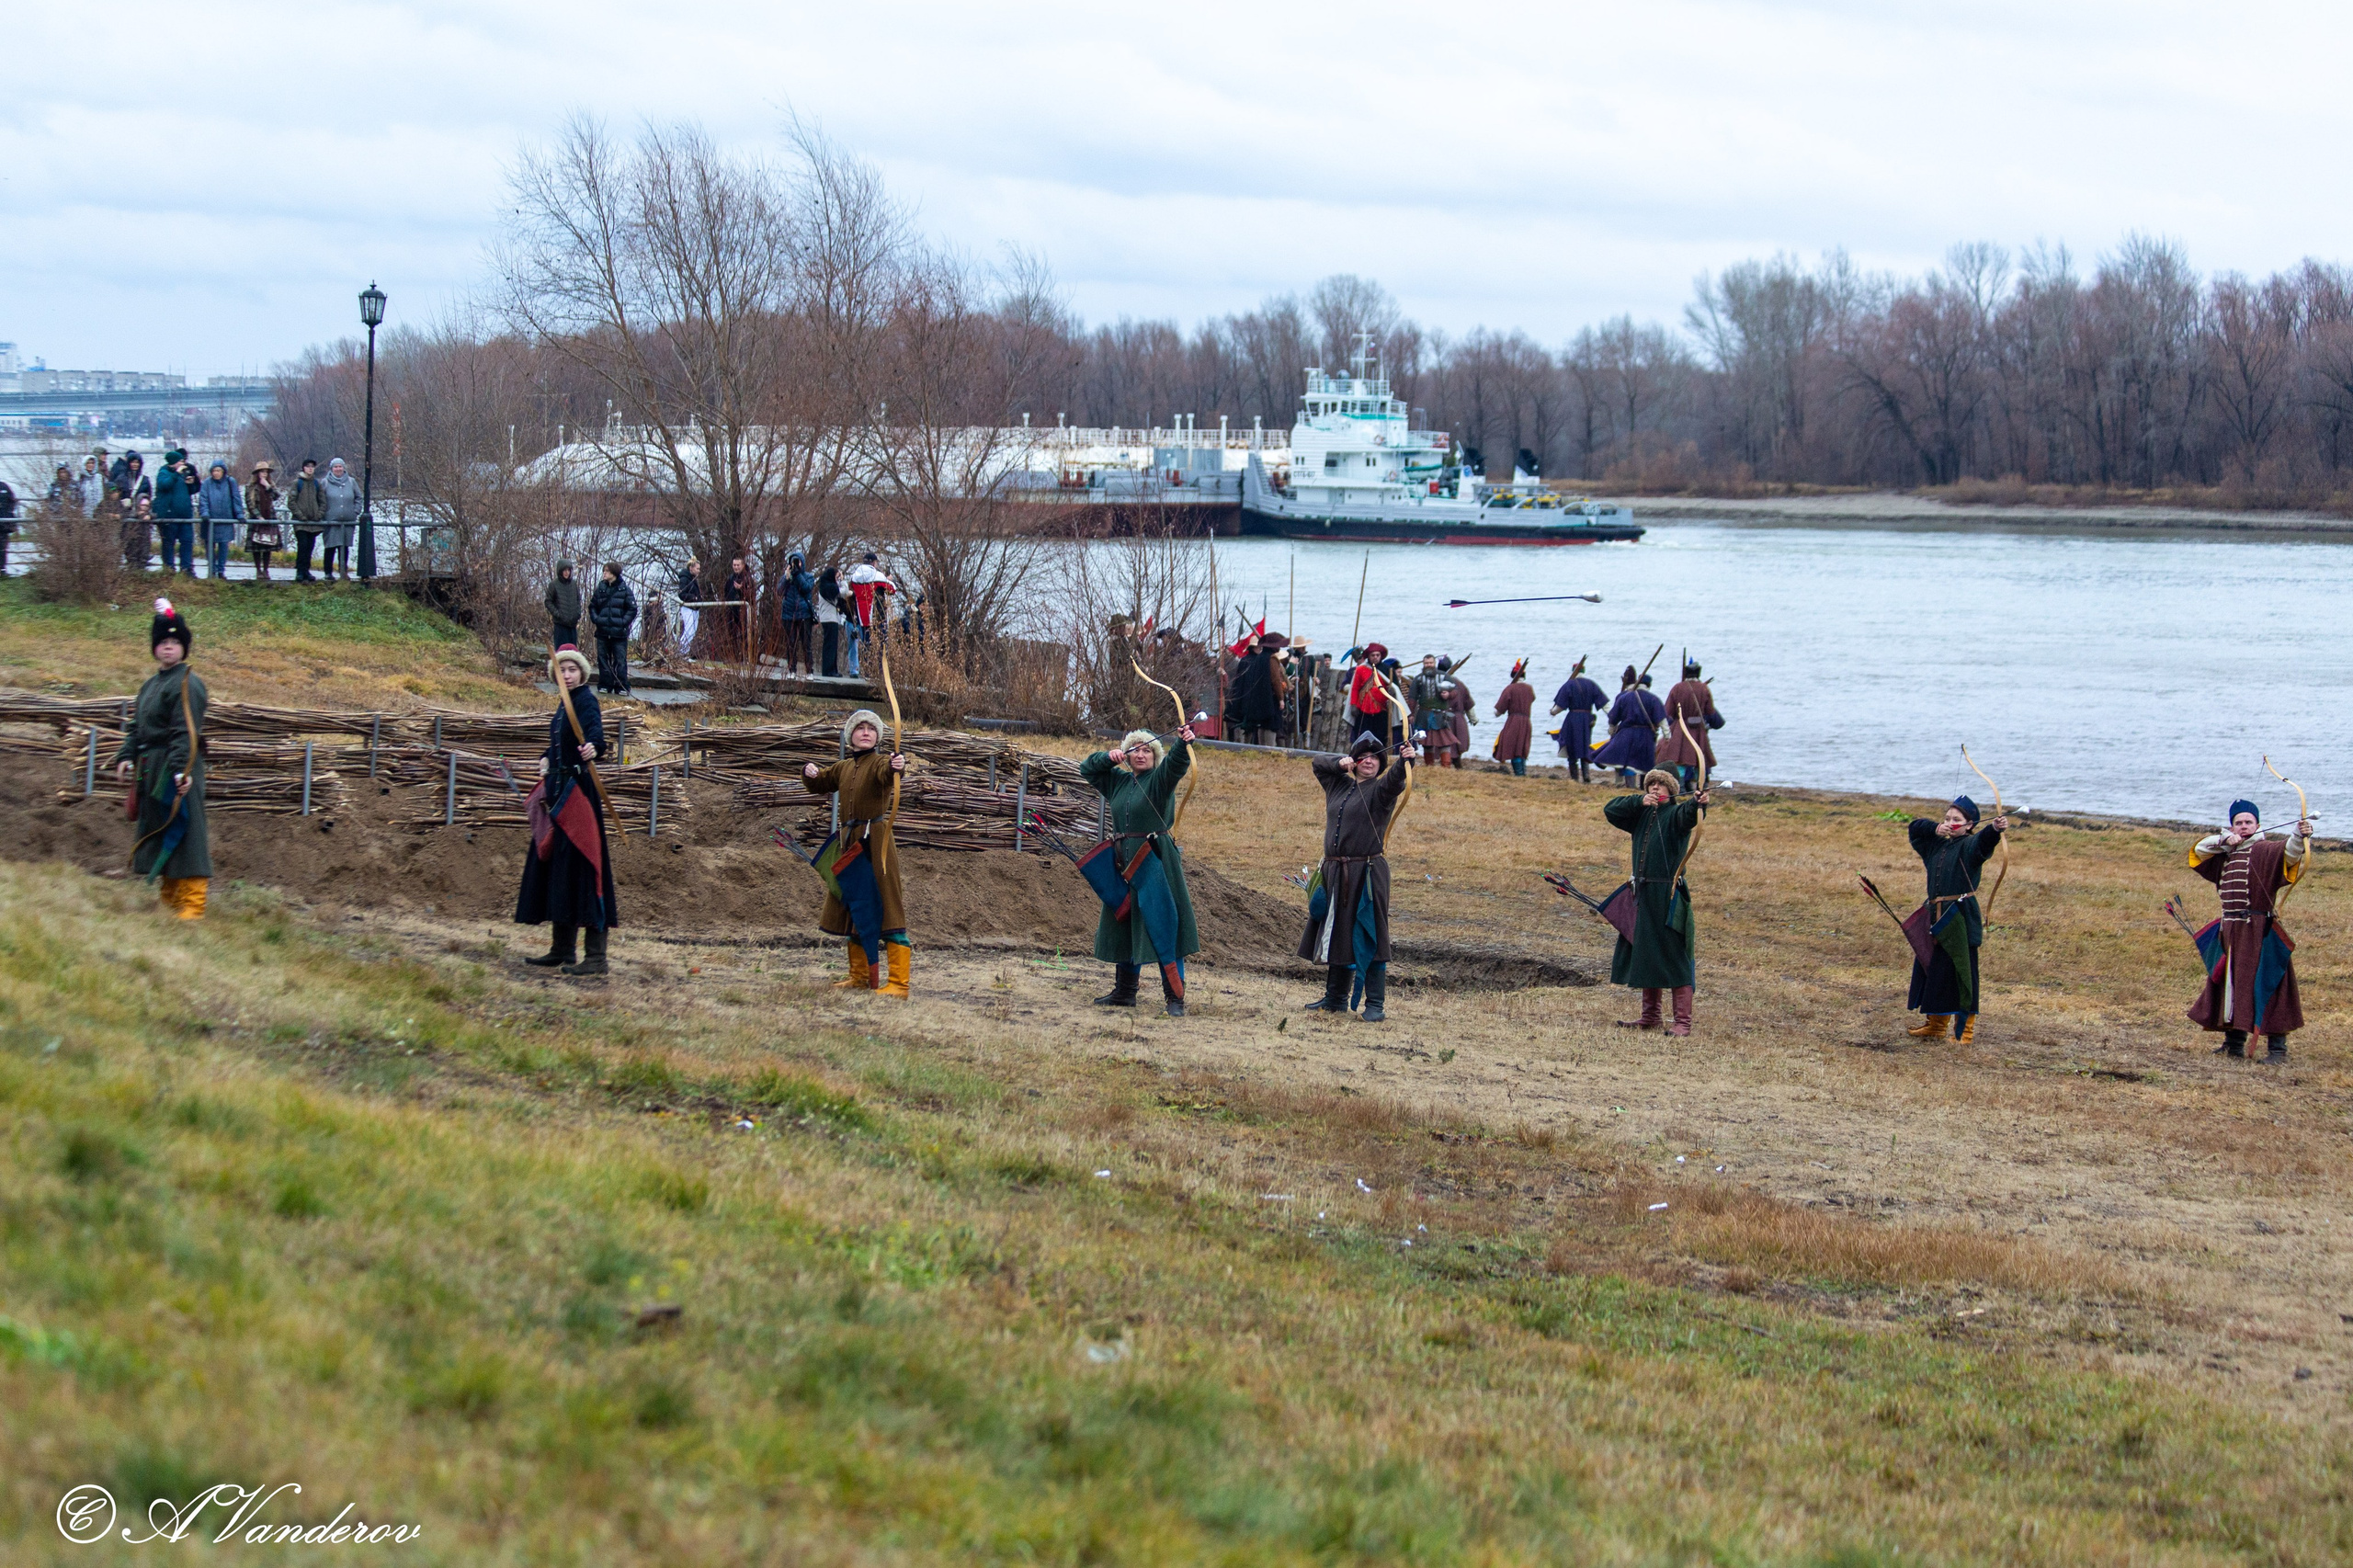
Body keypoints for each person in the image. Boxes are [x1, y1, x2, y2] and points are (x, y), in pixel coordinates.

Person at [1080, 722, 1199, 1017]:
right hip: (1124, 863)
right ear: (1127, 755)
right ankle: (1124, 993)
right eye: (1135, 750)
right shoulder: (1118, 782)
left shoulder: (1159, 780)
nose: (1141, 755)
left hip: (1156, 861)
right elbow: (1088, 769)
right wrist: (1107, 759)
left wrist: (1183, 743)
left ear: (1154, 756)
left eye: (1148, 750)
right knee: (1125, 922)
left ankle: (1175, 998)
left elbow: (1175, 765)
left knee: (1164, 924)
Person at [1301, 730, 1418, 1021]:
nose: (1368, 762)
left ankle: (1375, 1005)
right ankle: (1336, 999)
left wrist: (1406, 761)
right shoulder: (1338, 785)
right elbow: (1318, 763)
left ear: (1381, 763)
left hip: (1367, 872)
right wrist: (1340, 764)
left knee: (1371, 932)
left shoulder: (1381, 791)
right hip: (1337, 873)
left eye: (1374, 758)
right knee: (1340, 932)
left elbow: (1396, 780)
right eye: (1362, 757)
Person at [516, 645, 618, 976]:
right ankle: (562, 949)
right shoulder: (563, 705)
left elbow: (596, 738)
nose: (568, 675)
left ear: (582, 673)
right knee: (560, 871)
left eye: (573, 670)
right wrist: (547, 756)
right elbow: (559, 744)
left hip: (579, 796)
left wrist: (594, 747)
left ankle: (596, 958)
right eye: (563, 671)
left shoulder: (586, 701)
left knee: (587, 869)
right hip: (559, 794)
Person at [2188, 800, 2310, 1062]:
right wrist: (2224, 840)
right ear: (2231, 826)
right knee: (2230, 984)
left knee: (2269, 983)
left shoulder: (2265, 850)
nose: (2244, 827)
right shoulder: (2226, 853)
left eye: (2248, 823)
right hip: (2230, 930)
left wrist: (2299, 834)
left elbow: (2290, 852)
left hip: (2259, 931)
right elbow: (2199, 849)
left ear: (2258, 825)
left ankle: (2278, 1050)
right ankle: (2234, 1043)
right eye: (2238, 823)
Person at [800, 710, 911, 996]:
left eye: (871, 729)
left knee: (886, 907)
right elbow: (820, 782)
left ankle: (898, 984)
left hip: (876, 843)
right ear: (851, 736)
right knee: (854, 908)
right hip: (850, 845)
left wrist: (897, 765)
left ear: (877, 737)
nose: (865, 732)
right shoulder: (844, 768)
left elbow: (889, 772)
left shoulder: (878, 763)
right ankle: (859, 976)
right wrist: (809, 772)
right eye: (860, 728)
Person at [112, 599, 211, 919]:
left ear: (184, 648)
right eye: (163, 643)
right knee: (162, 828)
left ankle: (192, 909)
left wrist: (182, 772)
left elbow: (186, 731)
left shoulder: (187, 683)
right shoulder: (151, 685)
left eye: (175, 643)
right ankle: (169, 904)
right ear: (155, 648)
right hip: (152, 769)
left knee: (187, 832)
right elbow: (137, 728)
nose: (169, 648)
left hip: (178, 768)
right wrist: (127, 756)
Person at [1604, 767, 1707, 1035]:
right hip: (1643, 894)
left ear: (1673, 790)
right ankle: (1650, 1017)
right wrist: (1638, 801)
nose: (1655, 788)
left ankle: (1682, 1022)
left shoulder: (1675, 815)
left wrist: (1697, 803)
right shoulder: (1641, 815)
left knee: (1675, 954)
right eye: (1652, 784)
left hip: (1668, 895)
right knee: (1646, 951)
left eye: (1662, 785)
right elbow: (1611, 810)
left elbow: (1689, 816)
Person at [1904, 797, 2009, 1043]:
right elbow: (1914, 829)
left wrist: (1994, 829)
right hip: (1936, 917)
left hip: (1960, 917)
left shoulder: (1970, 846)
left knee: (1963, 973)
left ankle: (1965, 1032)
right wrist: (1934, 828)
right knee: (1933, 968)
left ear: (1970, 824)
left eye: (1957, 820)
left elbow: (1983, 843)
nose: (1951, 823)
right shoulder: (1935, 846)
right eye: (1948, 819)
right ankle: (1936, 1025)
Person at [1654, 660, 1726, 791]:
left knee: (1679, 760)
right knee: (1700, 760)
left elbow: (1668, 711)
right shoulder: (1704, 688)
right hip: (1698, 729)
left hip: (1680, 728)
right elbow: (1710, 711)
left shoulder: (1677, 687)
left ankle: (1680, 788)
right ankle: (1702, 787)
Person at [1591, 665, 1664, 786]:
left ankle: (1625, 784)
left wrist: (1612, 729)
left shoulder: (1623, 696)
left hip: (1625, 734)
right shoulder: (1651, 699)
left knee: (1627, 761)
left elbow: (1614, 717)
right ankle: (1638, 786)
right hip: (1644, 735)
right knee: (1642, 762)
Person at [1550, 658, 1608, 782]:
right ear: (1584, 670)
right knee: (1585, 744)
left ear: (1573, 671)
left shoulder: (1569, 684)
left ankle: (1574, 778)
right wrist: (1611, 716)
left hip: (1573, 719)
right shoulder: (1591, 684)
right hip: (1587, 719)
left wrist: (1553, 712)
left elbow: (1560, 706)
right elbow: (1604, 704)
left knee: (1571, 746)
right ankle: (1586, 776)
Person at [587, 562, 637, 695]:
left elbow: (632, 609)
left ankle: (621, 686)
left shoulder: (624, 590)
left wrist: (623, 622)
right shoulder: (600, 588)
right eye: (604, 571)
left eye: (607, 571)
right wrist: (597, 620)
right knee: (603, 659)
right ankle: (604, 684)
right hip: (603, 632)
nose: (604, 573)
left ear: (614, 574)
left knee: (620, 660)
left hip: (619, 633)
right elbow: (592, 606)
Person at [1225, 633, 1282, 745]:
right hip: (1250, 698)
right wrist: (1280, 697)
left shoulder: (1256, 659)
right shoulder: (1251, 661)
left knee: (1257, 726)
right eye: (1258, 647)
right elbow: (1274, 680)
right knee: (1252, 726)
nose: (1260, 649)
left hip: (1253, 698)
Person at [151, 449, 199, 577]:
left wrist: (193, 482)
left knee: (187, 542)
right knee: (168, 543)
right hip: (169, 516)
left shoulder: (183, 473)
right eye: (180, 461)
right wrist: (176, 474)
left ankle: (186, 569)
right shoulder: (163, 472)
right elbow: (164, 485)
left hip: (185, 516)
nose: (183, 463)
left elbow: (194, 490)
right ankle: (169, 569)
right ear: (174, 462)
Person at [198, 460, 244, 579]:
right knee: (210, 546)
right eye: (213, 471)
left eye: (218, 470)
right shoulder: (206, 483)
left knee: (224, 546)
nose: (215, 473)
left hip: (225, 520)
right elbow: (203, 499)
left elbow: (236, 498)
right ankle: (212, 570)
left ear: (223, 471)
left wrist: (239, 514)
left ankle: (221, 570)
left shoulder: (230, 482)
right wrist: (205, 514)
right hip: (210, 521)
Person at [320, 458, 362, 581]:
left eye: (340, 466)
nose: (338, 469)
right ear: (331, 469)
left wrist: (355, 511)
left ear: (344, 468)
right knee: (330, 547)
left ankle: (343, 572)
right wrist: (324, 514)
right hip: (331, 521)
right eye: (335, 467)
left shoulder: (351, 481)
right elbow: (320, 500)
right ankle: (328, 572)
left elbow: (358, 497)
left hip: (348, 521)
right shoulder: (325, 482)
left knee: (344, 547)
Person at [1493, 659, 1537, 776]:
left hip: (1514, 720)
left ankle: (1519, 774)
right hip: (1527, 721)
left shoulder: (1510, 688)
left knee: (1514, 748)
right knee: (1522, 747)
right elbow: (1532, 698)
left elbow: (1499, 710)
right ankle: (1522, 773)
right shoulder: (1529, 689)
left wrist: (1496, 713)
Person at [287, 458, 327, 582]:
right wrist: (300, 515)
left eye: (312, 467)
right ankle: (300, 571)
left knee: (310, 546)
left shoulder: (316, 483)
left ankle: (306, 571)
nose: (310, 468)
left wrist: (319, 514)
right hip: (300, 522)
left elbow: (322, 501)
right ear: (303, 468)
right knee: (302, 545)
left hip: (314, 522)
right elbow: (291, 502)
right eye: (308, 466)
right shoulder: (297, 483)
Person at [1346, 642, 1392, 749]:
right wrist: (1353, 704)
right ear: (1369, 657)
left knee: (1380, 736)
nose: (1375, 657)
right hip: (1364, 708)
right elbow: (1355, 688)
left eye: (1377, 655)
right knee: (1362, 735)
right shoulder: (1360, 669)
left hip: (1382, 709)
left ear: (1381, 656)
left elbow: (1393, 687)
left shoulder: (1387, 669)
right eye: (1373, 655)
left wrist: (1392, 693)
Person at [244, 461, 282, 583]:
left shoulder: (270, 485)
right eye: (262, 471)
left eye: (266, 472)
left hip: (270, 517)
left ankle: (266, 569)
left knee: (268, 546)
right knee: (257, 546)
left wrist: (268, 487)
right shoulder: (250, 487)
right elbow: (250, 504)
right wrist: (258, 516)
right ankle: (258, 570)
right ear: (257, 473)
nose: (264, 474)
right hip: (257, 518)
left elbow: (277, 496)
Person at [778, 550, 815, 673]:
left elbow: (806, 588)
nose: (795, 564)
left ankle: (809, 671)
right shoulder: (787, 577)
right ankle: (791, 670)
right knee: (791, 644)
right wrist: (786, 578)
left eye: (797, 562)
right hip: (789, 614)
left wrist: (798, 574)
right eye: (793, 562)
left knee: (806, 644)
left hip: (804, 614)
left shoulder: (808, 576)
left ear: (802, 563)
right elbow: (779, 592)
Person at [1441, 661, 1476, 768]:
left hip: (1450, 718)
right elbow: (1469, 705)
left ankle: (1453, 766)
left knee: (1451, 746)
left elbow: (1467, 702)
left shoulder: (1438, 683)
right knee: (1451, 746)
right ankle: (1452, 766)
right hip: (1454, 718)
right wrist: (1473, 719)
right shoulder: (1459, 683)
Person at [544, 560, 582, 652]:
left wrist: (578, 613)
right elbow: (548, 602)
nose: (567, 572)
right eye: (564, 570)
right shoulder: (554, 585)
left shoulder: (573, 584)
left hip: (572, 624)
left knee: (573, 653)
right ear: (560, 571)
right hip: (560, 625)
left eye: (568, 570)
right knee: (561, 652)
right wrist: (558, 614)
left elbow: (578, 600)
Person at [813, 565, 845, 676]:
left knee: (830, 645)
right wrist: (843, 580)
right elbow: (843, 592)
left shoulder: (823, 587)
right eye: (835, 577)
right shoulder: (829, 588)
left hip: (826, 619)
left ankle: (831, 669)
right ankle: (829, 671)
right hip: (831, 619)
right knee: (831, 645)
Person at [723, 556, 754, 661]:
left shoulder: (748, 578)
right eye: (734, 565)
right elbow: (726, 593)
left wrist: (741, 589)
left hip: (743, 611)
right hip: (731, 610)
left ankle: (745, 657)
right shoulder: (730, 578)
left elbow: (751, 596)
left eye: (738, 565)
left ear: (743, 565)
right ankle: (732, 658)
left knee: (744, 634)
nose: (736, 567)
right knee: (731, 635)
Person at [673, 557, 703, 659]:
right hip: (688, 607)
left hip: (695, 608)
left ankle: (684, 653)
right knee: (689, 630)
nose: (699, 571)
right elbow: (682, 594)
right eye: (697, 568)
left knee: (692, 631)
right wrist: (693, 598)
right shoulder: (685, 579)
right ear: (691, 568)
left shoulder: (693, 579)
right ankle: (680, 653)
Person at [0, 476, 16, 574]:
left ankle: (2, 569)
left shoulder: (4, 487)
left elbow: (12, 501)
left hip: (3, 524)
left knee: (2, 547)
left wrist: (8, 513)